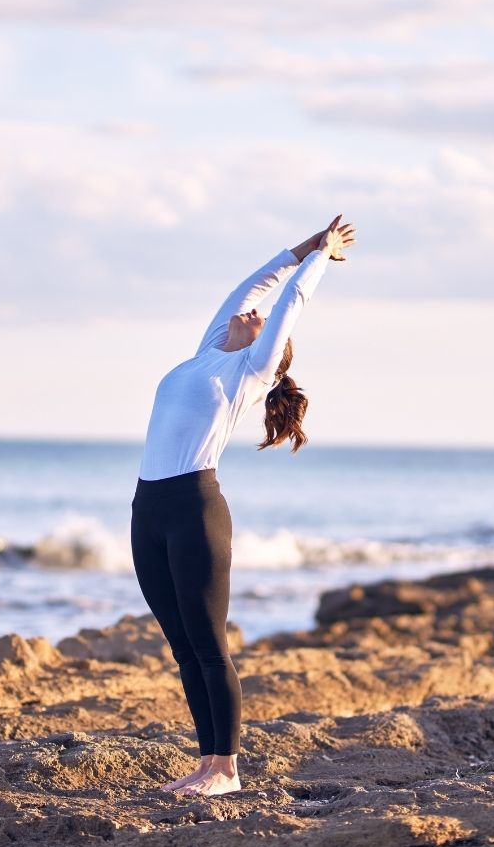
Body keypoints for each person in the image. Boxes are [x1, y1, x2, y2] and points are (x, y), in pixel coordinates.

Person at [130, 214, 357, 797]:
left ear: (268, 351)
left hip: (193, 509)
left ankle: (227, 769)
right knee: (182, 648)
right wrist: (303, 244)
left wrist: (320, 259)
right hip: (147, 509)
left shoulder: (247, 370)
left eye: (261, 325)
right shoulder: (207, 353)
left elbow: (289, 303)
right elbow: (253, 286)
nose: (252, 315)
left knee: (208, 644)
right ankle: (206, 763)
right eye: (253, 319)